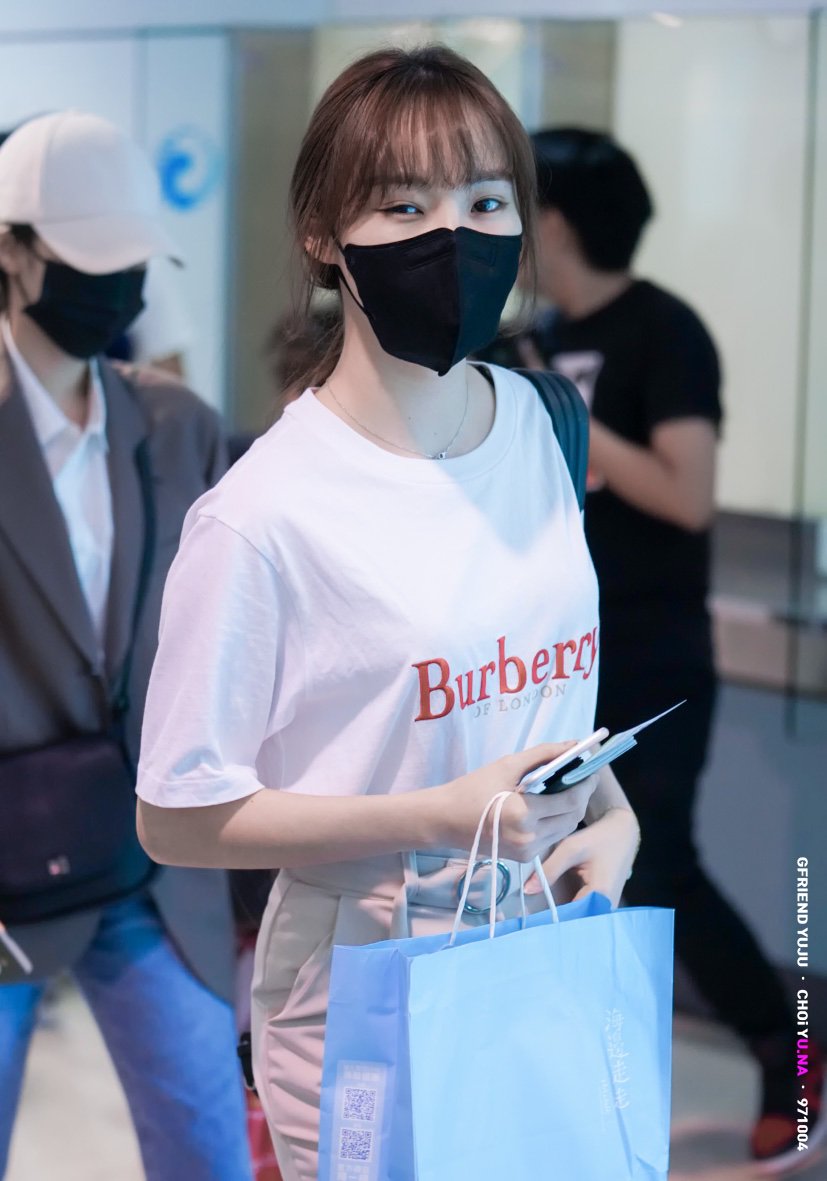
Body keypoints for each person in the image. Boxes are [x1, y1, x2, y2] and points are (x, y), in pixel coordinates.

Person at [135, 48, 641, 1181]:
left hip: (544, 934)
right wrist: (434, 816)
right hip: (368, 961)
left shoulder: (543, 424)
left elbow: (534, 679)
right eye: (405, 206)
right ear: (323, 234)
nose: (453, 236)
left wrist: (608, 814)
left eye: (486, 201)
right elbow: (175, 814)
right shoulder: (261, 515)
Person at [512, 126, 821, 1172]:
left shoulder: (663, 329)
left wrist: (560, 403)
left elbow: (686, 495)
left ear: (555, 221)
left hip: (654, 653)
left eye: (514, 206)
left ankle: (789, 1052)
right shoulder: (537, 332)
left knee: (662, 863)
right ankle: (589, 1087)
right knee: (566, 866)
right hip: (564, 654)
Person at [0, 111, 252, 1179]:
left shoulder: (174, 422)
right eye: (88, 260)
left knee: (207, 1142)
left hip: (150, 859)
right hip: (7, 863)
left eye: (130, 264)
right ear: (13, 252)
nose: (115, 288)